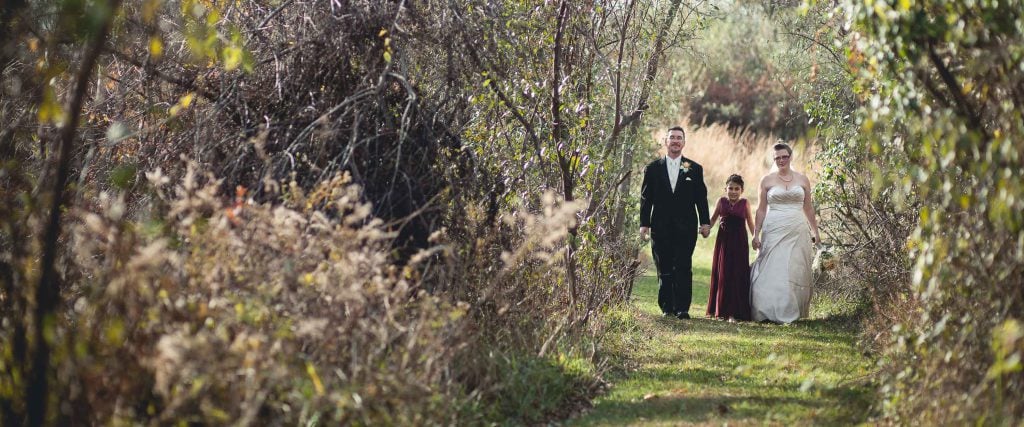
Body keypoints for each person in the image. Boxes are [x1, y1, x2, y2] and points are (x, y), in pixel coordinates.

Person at [640, 126, 711, 320]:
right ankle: (666, 307)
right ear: (666, 141)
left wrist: (705, 222)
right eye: (672, 138)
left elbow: (701, 198)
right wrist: (644, 224)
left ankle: (682, 308)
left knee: (683, 265)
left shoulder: (694, 169)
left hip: (686, 227)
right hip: (660, 226)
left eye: (679, 138)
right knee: (663, 266)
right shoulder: (653, 168)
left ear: (684, 142)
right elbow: (646, 199)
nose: (676, 141)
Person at [749, 142, 820, 324]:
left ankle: (790, 310)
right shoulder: (766, 181)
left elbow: (808, 208)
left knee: (793, 269)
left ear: (790, 157)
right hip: (773, 228)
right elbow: (761, 210)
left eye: (784, 156)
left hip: (797, 228)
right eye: (777, 157)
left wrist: (816, 232)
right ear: (774, 160)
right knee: (772, 267)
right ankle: (765, 310)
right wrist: (756, 234)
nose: (781, 160)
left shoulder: (803, 180)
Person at [706, 174, 755, 322]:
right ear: (725, 189)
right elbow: (713, 219)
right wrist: (706, 229)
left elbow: (751, 223)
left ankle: (735, 312)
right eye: (730, 188)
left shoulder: (745, 203)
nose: (733, 191)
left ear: (742, 190)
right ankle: (721, 310)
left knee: (737, 273)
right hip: (724, 243)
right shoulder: (721, 202)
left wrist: (755, 238)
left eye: (737, 189)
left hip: (739, 243)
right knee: (724, 273)